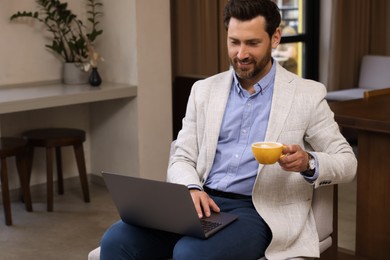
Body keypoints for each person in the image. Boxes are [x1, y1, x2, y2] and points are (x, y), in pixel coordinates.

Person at [100, 0, 357, 259]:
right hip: (202, 201)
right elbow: (182, 156)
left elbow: (347, 161)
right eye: (234, 42)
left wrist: (308, 163)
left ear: (275, 37)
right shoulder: (203, 91)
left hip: (258, 212)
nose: (241, 54)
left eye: (252, 43)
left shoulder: (307, 95)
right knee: (116, 240)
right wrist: (191, 188)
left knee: (190, 254)